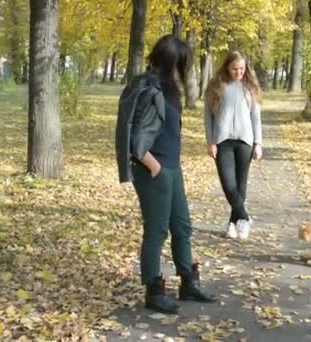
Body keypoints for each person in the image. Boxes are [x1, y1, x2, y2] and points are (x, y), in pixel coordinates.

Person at [115, 35, 218, 314]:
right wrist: (155, 167)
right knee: (157, 231)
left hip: (172, 168)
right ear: (172, 62)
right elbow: (137, 140)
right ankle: (154, 290)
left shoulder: (170, 88)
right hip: (154, 171)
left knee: (182, 227)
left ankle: (188, 283)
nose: (185, 70)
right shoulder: (150, 89)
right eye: (183, 63)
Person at [204, 51, 263, 240]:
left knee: (240, 186)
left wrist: (258, 143)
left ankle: (234, 224)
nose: (238, 72)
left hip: (245, 141)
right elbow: (208, 117)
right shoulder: (217, 87)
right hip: (222, 141)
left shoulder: (250, 87)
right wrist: (211, 141)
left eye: (241, 69)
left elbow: (256, 117)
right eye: (234, 69)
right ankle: (244, 217)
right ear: (227, 68)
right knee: (229, 185)